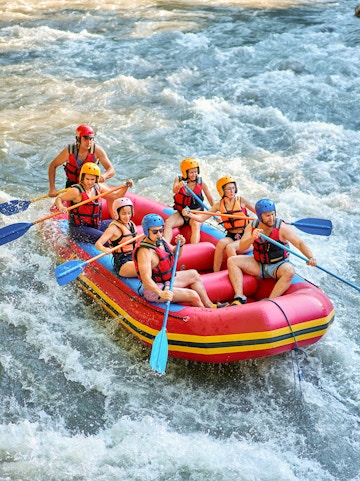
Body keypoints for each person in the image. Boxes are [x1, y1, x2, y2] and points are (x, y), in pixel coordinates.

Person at [227, 198, 317, 306]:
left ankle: (270, 301)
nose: (272, 218)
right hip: (258, 264)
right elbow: (242, 246)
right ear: (260, 216)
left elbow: (299, 243)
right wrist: (252, 237)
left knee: (290, 271)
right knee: (232, 261)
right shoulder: (252, 227)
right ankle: (239, 297)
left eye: (273, 214)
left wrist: (310, 257)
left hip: (277, 266)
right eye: (268, 215)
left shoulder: (282, 228)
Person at [133, 214, 227, 308]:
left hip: (167, 281)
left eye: (161, 230)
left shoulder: (161, 240)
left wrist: (180, 245)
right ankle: (207, 316)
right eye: (155, 231)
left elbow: (176, 254)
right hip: (155, 290)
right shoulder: (144, 252)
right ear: (146, 231)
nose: (159, 234)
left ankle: (210, 305)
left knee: (194, 274)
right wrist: (160, 293)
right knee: (193, 295)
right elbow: (145, 279)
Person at [183, 176, 256, 272]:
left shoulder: (241, 201)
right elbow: (201, 218)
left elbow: (258, 213)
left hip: (247, 238)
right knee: (221, 244)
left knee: (230, 247)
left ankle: (237, 271)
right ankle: (216, 272)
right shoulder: (219, 205)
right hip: (232, 235)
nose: (232, 191)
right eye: (229, 189)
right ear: (222, 191)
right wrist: (189, 214)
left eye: (233, 188)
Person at [54, 162, 133, 243]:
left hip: (95, 225)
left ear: (96, 179)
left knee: (121, 224)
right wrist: (61, 207)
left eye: (92, 179)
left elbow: (116, 196)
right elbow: (59, 198)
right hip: (78, 229)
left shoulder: (98, 187)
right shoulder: (76, 191)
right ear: (82, 178)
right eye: (87, 179)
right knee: (106, 239)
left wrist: (126, 186)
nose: (90, 182)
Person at [48, 124, 115, 197]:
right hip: (73, 185)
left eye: (91, 139)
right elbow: (53, 166)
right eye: (85, 139)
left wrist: (104, 176)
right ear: (78, 138)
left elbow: (111, 169)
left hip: (91, 185)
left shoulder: (97, 150)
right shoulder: (69, 151)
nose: (89, 142)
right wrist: (52, 188)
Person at [163, 158, 215, 244]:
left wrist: (215, 213)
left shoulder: (201, 183)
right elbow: (174, 191)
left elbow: (210, 199)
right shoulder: (178, 180)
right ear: (185, 172)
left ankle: (194, 249)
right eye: (191, 172)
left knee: (195, 225)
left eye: (195, 171)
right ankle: (165, 247)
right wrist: (179, 186)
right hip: (182, 213)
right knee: (168, 223)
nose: (194, 174)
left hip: (196, 213)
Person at [95, 197, 138, 277]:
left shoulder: (131, 224)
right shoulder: (113, 228)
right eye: (124, 214)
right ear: (117, 214)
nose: (127, 216)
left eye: (129, 213)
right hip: (123, 263)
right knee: (145, 267)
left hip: (134, 257)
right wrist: (104, 249)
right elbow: (98, 244)